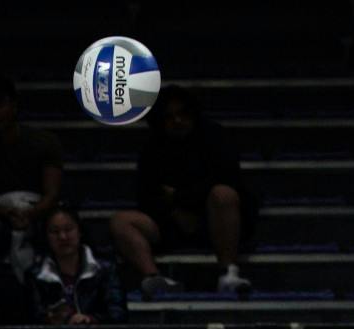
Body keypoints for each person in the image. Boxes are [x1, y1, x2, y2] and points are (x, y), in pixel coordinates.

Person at [108, 85, 257, 299]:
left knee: (223, 195)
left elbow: (229, 179)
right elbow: (147, 194)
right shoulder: (153, 147)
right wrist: (175, 211)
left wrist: (179, 197)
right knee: (121, 221)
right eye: (169, 117)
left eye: (182, 114)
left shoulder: (214, 137)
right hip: (170, 223)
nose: (177, 121)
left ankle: (228, 274)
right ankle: (153, 277)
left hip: (215, 220)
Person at [0, 73, 63, 279]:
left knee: (60, 225)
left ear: (14, 105)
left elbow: (51, 195)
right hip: (1, 215)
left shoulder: (44, 142)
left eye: (0, 105)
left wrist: (30, 214)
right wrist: (10, 214)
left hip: (39, 212)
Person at [26, 203, 126, 329]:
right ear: (46, 237)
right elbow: (32, 314)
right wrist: (52, 319)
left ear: (79, 231)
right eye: (55, 232)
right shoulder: (36, 273)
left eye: (68, 229)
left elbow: (118, 313)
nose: (63, 237)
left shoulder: (104, 269)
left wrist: (90, 319)